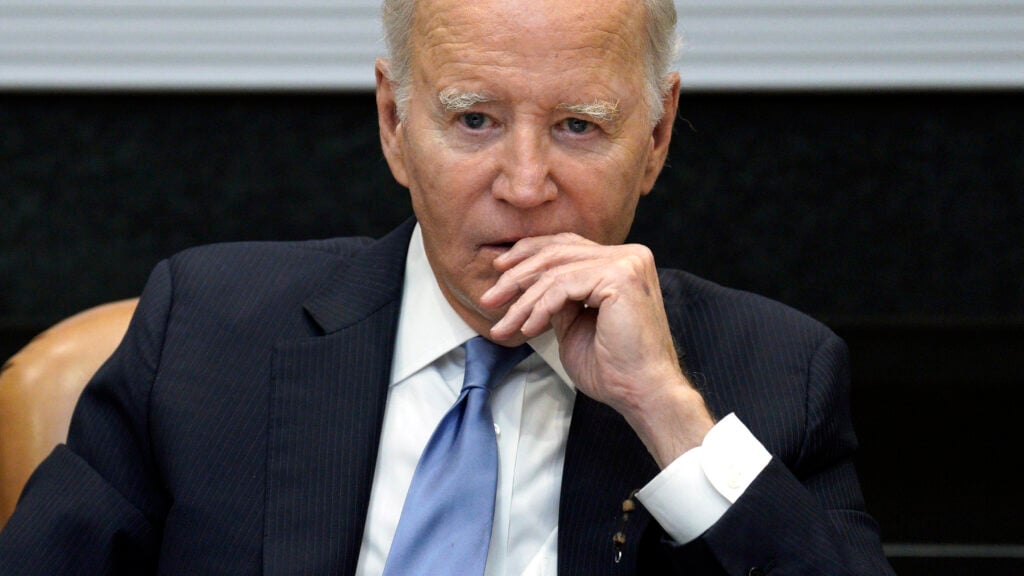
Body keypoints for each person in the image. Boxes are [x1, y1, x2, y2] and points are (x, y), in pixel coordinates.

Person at [0, 0, 896, 574]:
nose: (524, 183)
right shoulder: (208, 329)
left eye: (581, 126)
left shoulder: (773, 376)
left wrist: (666, 413)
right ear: (394, 123)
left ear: (656, 141)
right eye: (474, 120)